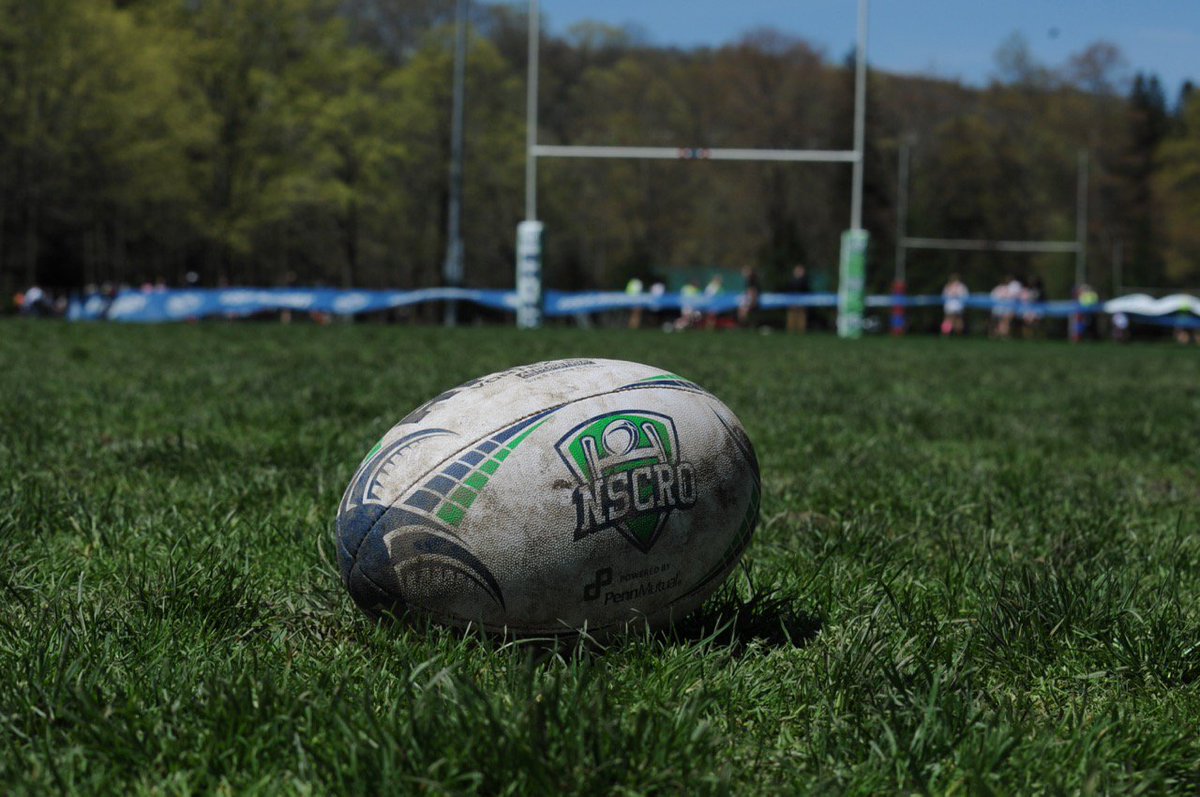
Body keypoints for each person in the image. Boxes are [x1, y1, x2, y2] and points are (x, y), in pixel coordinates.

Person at [785, 264, 811, 333]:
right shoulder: (791, 280)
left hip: (802, 303)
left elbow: (807, 290)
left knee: (801, 317)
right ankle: (791, 330)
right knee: (791, 316)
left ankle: (801, 331)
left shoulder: (805, 281)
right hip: (792, 302)